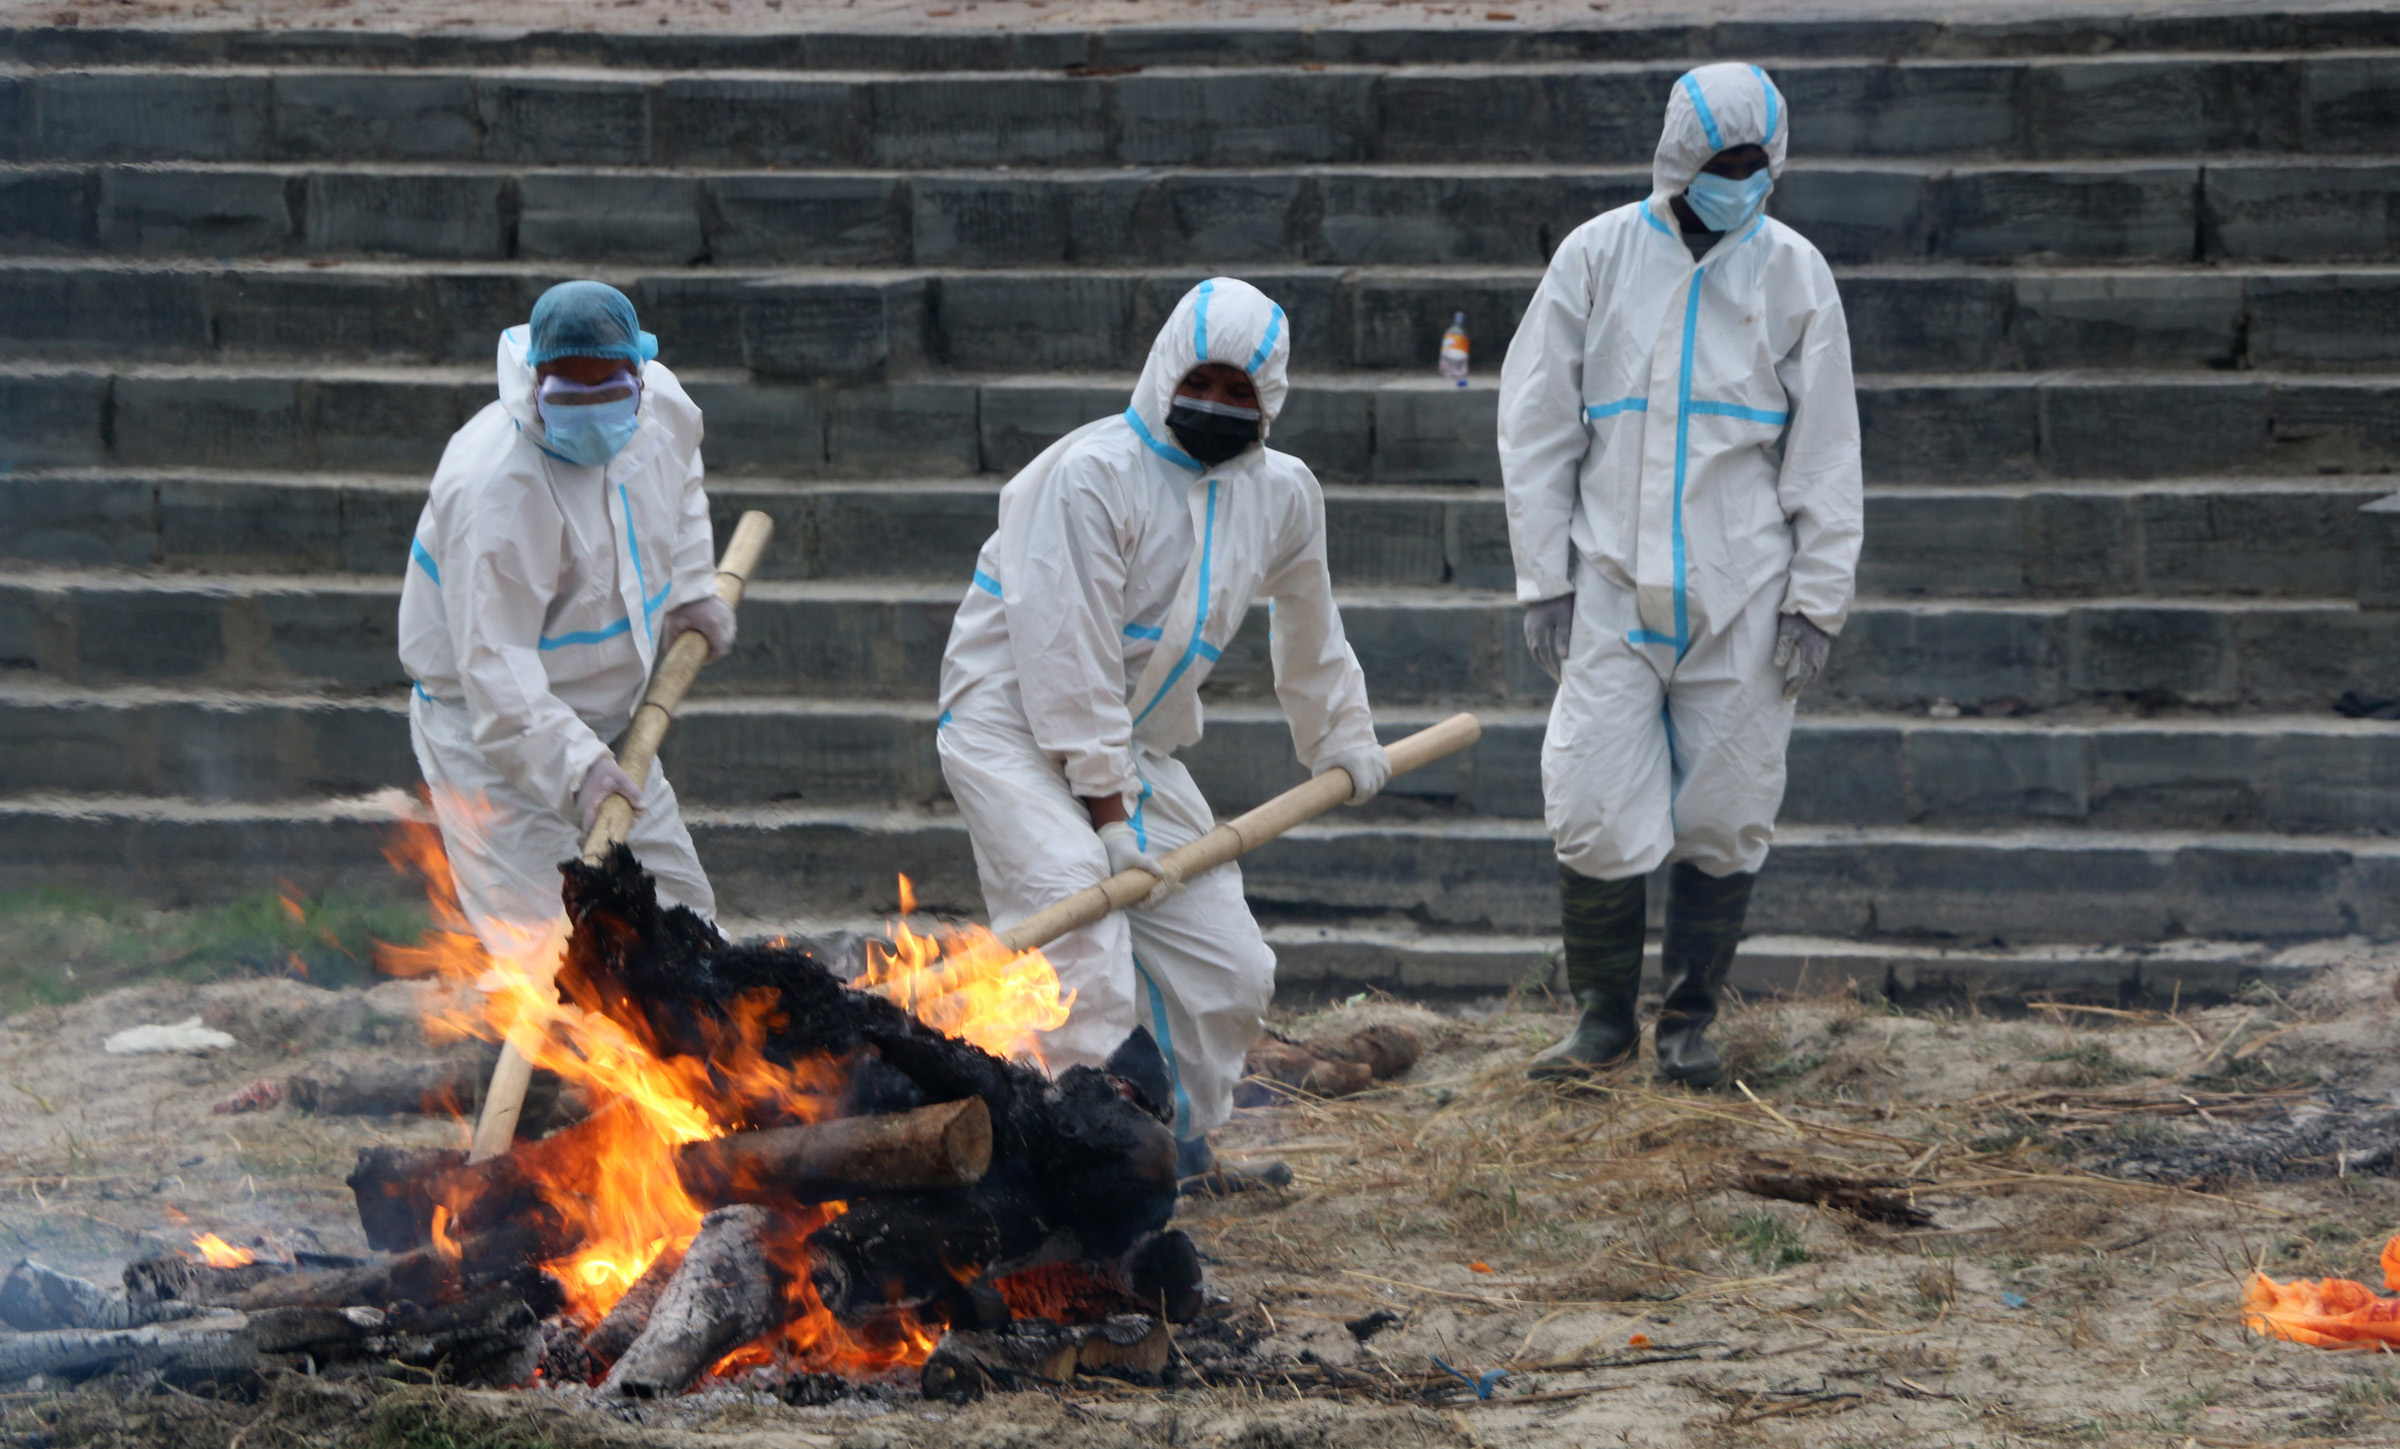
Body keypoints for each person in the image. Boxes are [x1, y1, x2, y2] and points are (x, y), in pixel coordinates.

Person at [938, 276, 1389, 1184]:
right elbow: (1066, 661)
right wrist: (1110, 822)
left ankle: (1177, 1155)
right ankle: (1083, 1183)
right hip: (1011, 729)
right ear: (1165, 371)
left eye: (1239, 390)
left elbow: (1310, 615)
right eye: (1201, 381)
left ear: (1270, 398)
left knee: (1229, 966)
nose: (1215, 403)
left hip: (1131, 745)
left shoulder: (1282, 493)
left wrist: (1343, 736)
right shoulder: (1088, 475)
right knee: (1082, 944)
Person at [1498, 63, 1863, 1087]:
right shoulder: (1597, 257)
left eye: (1754, 163)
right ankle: (1602, 1021)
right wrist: (1544, 578)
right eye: (1722, 161)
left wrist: (1816, 600)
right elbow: (1536, 424)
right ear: (1679, 156)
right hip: (1612, 588)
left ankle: (1688, 1024)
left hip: (1743, 594)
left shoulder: (1795, 274)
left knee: (1728, 810)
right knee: (1591, 803)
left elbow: (1827, 449)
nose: (1738, 179)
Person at [399, 280, 735, 957]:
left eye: (608, 394)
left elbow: (682, 484)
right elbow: (497, 670)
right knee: (551, 954)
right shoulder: (494, 487)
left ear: (639, 375)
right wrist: (579, 772)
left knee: (687, 929)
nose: (592, 415)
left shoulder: (665, 407)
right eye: (569, 399)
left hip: (611, 726)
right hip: (495, 742)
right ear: (536, 384)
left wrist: (691, 586)